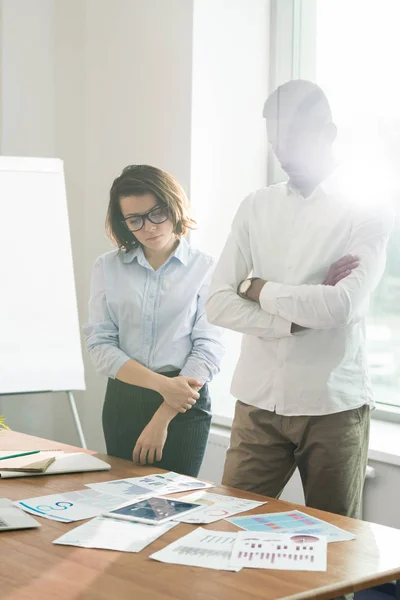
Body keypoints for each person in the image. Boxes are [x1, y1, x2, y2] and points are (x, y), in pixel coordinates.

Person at [206, 80, 393, 521]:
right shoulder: (255, 206)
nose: (284, 153)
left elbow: (341, 306)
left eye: (294, 139)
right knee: (226, 530)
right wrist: (295, 320)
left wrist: (257, 289)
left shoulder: (367, 210)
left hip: (332, 407)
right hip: (257, 403)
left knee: (336, 549)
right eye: (275, 142)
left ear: (328, 132)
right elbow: (216, 302)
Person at [84, 164, 224, 477]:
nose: (149, 227)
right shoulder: (107, 266)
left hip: (184, 402)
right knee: (122, 503)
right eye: (135, 220)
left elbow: (208, 347)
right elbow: (100, 343)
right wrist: (162, 385)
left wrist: (163, 414)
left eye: (156, 213)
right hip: (125, 398)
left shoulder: (206, 268)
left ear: (174, 206)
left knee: (174, 506)